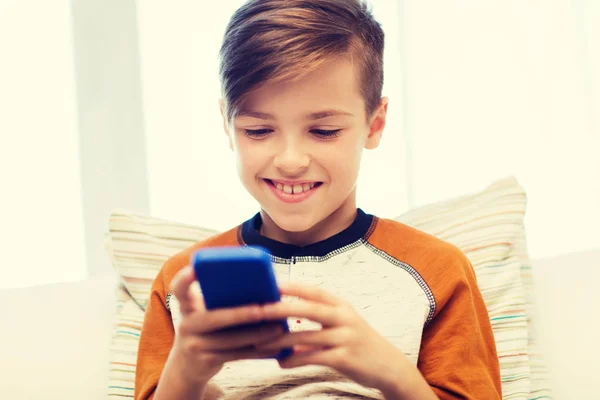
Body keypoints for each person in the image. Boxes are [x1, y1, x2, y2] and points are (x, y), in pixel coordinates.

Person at [135, 0, 502, 399]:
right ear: (227, 126)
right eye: (258, 130)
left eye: (324, 131)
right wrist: (185, 374)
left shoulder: (438, 272)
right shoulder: (183, 287)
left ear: (374, 124)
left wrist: (394, 373)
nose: (291, 161)